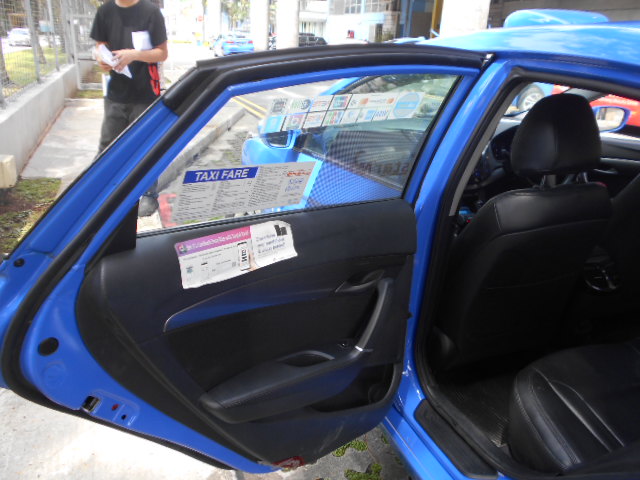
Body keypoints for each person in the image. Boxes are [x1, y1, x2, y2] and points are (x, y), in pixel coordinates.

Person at [90, 0, 168, 215]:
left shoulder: (151, 12)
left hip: (146, 94)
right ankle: (97, 193)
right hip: (116, 94)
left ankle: (149, 194)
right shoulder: (105, 11)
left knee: (146, 148)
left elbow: (162, 53)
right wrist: (101, 59)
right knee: (107, 147)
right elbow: (100, 46)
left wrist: (134, 54)